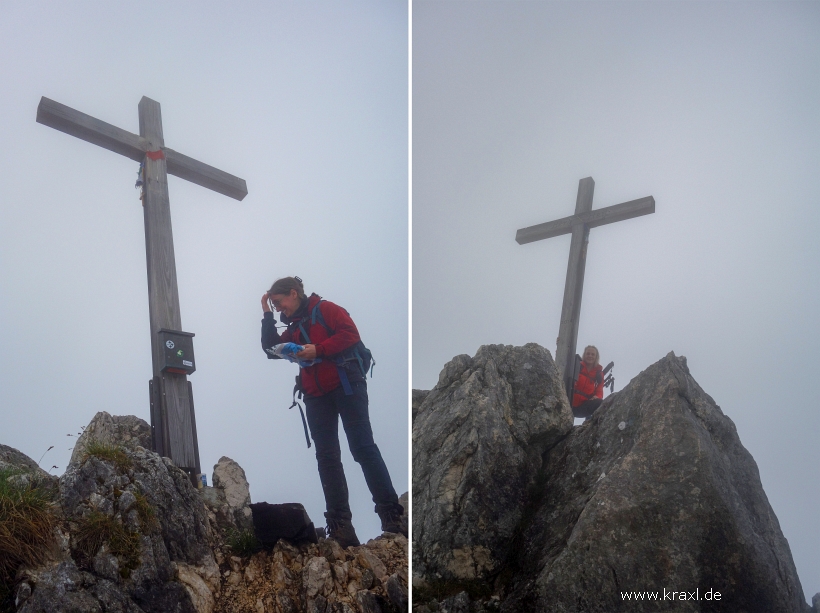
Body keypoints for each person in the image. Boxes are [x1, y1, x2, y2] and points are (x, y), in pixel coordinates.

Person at [260, 276, 404, 547]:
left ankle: (391, 516)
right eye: (275, 306)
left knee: (362, 448)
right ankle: (340, 527)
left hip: (346, 385)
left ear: (294, 293)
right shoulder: (293, 327)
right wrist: (266, 313)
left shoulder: (326, 310)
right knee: (327, 457)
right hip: (315, 395)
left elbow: (351, 335)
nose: (280, 310)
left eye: (279, 303)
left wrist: (319, 349)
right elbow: (270, 349)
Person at [572, 345, 604, 419]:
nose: (590, 356)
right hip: (568, 403)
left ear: (596, 357)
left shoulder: (599, 373)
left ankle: (590, 427)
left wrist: (597, 397)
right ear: (584, 355)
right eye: (588, 354)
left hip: (583, 407)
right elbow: (563, 361)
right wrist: (560, 344)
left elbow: (599, 391)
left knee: (600, 403)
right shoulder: (577, 366)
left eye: (593, 354)